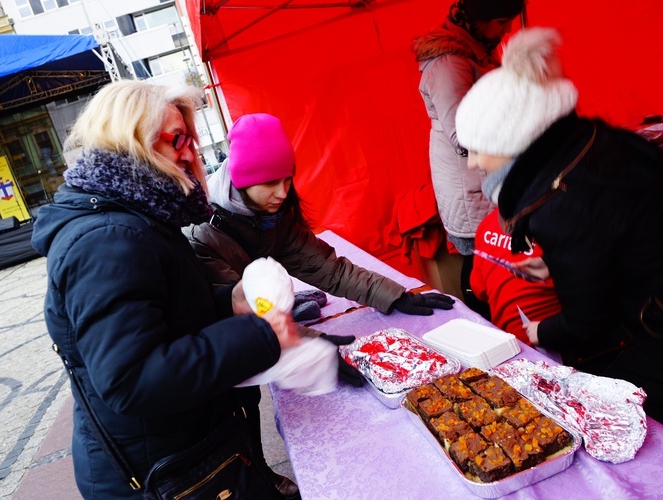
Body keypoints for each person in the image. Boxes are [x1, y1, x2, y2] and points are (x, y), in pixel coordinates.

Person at [31, 80, 302, 498]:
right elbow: (132, 379)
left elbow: (164, 314)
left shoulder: (137, 215)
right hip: (161, 476)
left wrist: (227, 304)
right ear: (133, 141)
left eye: (191, 139)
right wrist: (260, 335)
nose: (192, 153)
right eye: (179, 139)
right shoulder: (109, 238)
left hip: (178, 456)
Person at [185, 112, 456, 495]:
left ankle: (257, 469)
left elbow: (328, 269)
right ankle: (254, 472)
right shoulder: (204, 235)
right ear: (243, 182)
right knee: (238, 407)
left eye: (287, 177)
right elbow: (249, 321)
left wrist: (395, 295)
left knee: (250, 405)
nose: (283, 191)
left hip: (258, 329)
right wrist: (313, 346)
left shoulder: (273, 216)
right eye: (269, 182)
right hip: (220, 349)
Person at [455, 27, 663, 420]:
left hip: (654, 327)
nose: (473, 163)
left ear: (516, 141)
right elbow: (623, 232)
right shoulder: (593, 144)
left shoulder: (558, 205)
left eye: (480, 149)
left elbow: (589, 323)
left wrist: (537, 333)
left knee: (616, 421)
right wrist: (558, 264)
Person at [412, 0, 524, 318]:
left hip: (485, 178)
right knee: (480, 262)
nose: (507, 29)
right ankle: (485, 323)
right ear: (477, 19)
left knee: (492, 259)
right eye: (501, 20)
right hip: (469, 182)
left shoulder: (476, 50)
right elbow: (462, 135)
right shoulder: (450, 62)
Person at [471, 208, 561, 345]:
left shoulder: (488, 222)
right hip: (554, 347)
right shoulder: (565, 226)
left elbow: (479, 289)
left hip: (507, 345)